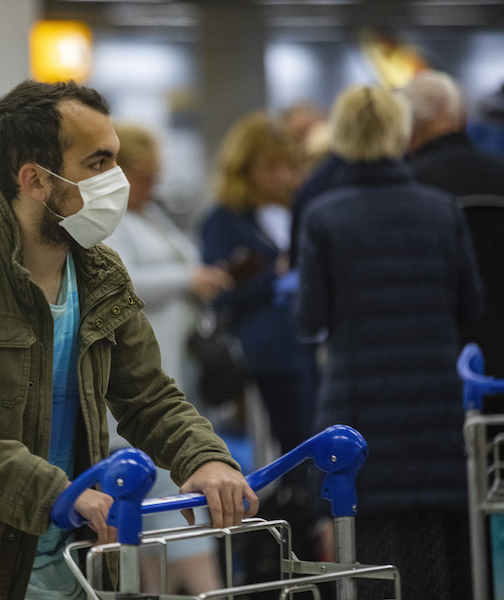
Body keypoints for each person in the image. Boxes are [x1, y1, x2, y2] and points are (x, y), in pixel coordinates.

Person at [0, 80, 258, 600]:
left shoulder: (99, 273)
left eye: (116, 161)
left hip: (77, 568)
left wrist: (205, 457)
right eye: (97, 164)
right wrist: (53, 494)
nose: (115, 180)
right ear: (35, 179)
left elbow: (148, 395)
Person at [295, 83, 483, 598]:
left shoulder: (324, 215)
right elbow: (472, 306)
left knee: (379, 565)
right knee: (455, 560)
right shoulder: (441, 209)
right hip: (440, 410)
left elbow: (308, 318)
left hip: (362, 414)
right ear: (401, 131)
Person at [103, 123, 233, 595]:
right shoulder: (110, 225)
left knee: (184, 537)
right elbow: (123, 282)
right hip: (135, 403)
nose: (153, 186)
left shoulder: (152, 214)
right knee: (153, 551)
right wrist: (186, 281)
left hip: (178, 382)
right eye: (145, 175)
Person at [198, 111, 315, 458]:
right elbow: (220, 292)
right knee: (278, 451)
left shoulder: (300, 213)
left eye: (289, 167)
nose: (282, 177)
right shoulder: (223, 220)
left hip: (304, 346)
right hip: (260, 355)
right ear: (244, 168)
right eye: (270, 167)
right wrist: (273, 275)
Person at [400, 69, 504, 378]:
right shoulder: (500, 173)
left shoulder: (408, 186)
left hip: (435, 353)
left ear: (410, 128)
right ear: (461, 118)